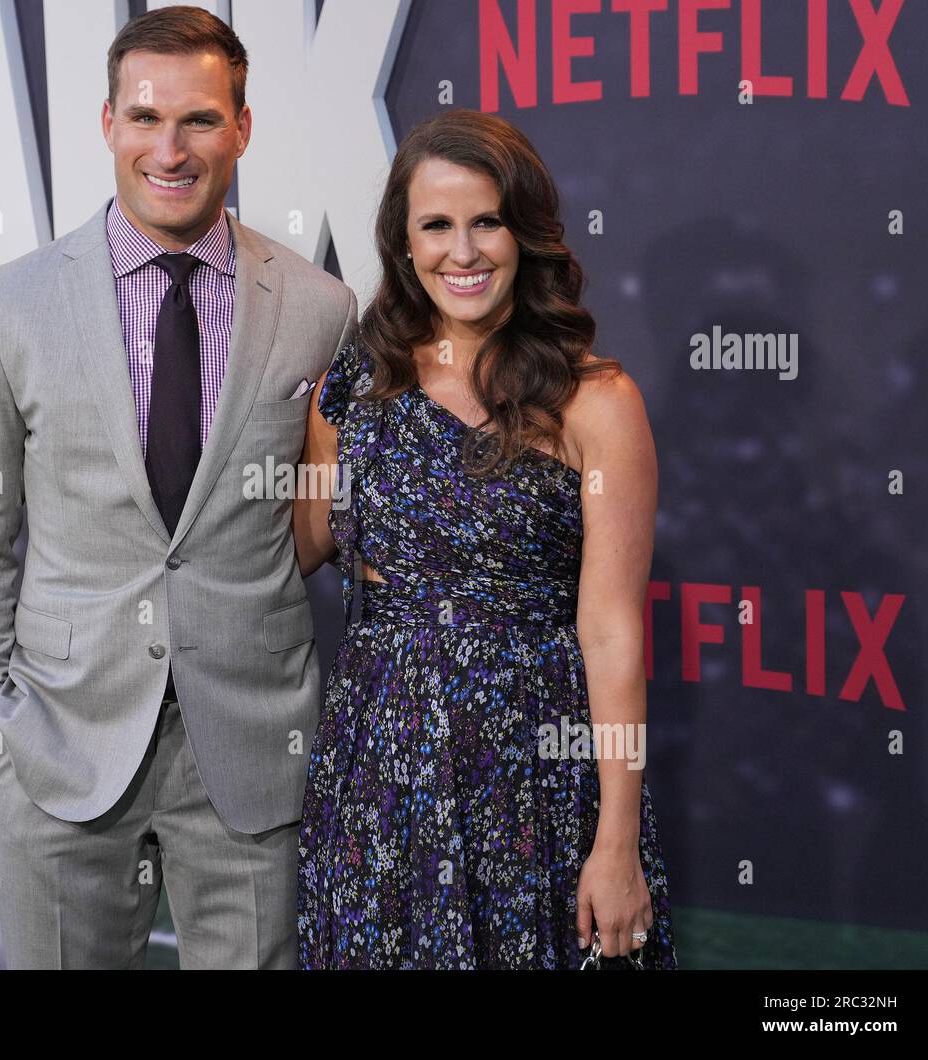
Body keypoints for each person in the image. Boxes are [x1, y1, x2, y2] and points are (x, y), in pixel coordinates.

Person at [0, 6, 355, 968]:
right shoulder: (8, 306)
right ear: (108, 124)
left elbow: (320, 517)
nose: (171, 147)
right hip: (57, 750)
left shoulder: (320, 309)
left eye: (201, 120)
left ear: (242, 128)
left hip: (251, 750)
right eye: (145, 117)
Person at [292, 109, 679, 969]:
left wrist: (615, 842)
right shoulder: (352, 388)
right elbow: (298, 546)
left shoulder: (596, 402)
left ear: (526, 234)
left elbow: (612, 632)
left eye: (486, 222)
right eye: (436, 225)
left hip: (539, 772)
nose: (461, 253)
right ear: (403, 243)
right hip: (378, 771)